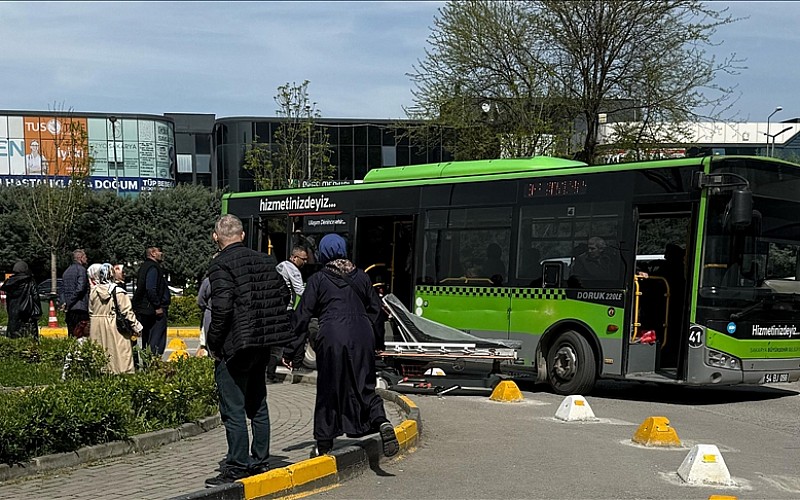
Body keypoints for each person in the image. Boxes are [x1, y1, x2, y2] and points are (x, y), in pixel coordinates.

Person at [282, 233, 400, 459]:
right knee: (364, 385)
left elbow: (303, 315)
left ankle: (324, 443)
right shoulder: (362, 277)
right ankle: (381, 421)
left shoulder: (318, 279)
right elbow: (376, 312)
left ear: (324, 253)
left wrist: (291, 350)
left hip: (332, 335)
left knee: (329, 389)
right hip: (362, 335)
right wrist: (376, 343)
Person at [204, 214, 293, 487]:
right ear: (242, 235)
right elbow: (284, 295)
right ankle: (261, 460)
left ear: (216, 237)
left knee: (234, 409)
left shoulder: (220, 265)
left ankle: (237, 466)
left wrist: (214, 344)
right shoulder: (267, 261)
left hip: (235, 346)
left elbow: (221, 308)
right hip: (262, 344)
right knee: (258, 405)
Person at [88, 263, 142, 374]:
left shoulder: (94, 291)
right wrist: (136, 326)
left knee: (101, 349)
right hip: (114, 324)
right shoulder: (118, 292)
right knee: (120, 352)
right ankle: (122, 374)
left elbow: (90, 310)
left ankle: (101, 372)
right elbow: (127, 312)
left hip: (96, 325)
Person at [270, 246, 309, 380]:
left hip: (275, 308)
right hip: (286, 308)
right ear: (294, 257)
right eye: (303, 259)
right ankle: (292, 363)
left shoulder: (281, 266)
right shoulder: (293, 270)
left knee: (276, 342)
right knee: (295, 335)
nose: (305, 262)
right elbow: (300, 291)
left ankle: (271, 372)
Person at [132, 246, 170, 356]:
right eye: (159, 251)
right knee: (156, 339)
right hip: (154, 311)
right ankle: (152, 363)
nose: (162, 254)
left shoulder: (145, 267)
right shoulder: (153, 268)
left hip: (145, 309)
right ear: (153, 253)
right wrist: (157, 306)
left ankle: (147, 362)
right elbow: (150, 288)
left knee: (147, 339)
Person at [1, 260, 41, 339]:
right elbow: (35, 297)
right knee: (29, 343)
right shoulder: (29, 281)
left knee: (14, 342)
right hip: (27, 316)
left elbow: (8, 302)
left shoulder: (10, 283)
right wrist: (37, 312)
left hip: (13, 317)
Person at [61, 249, 89, 338]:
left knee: (71, 333)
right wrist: (71, 301)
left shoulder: (66, 271)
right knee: (81, 334)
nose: (86, 259)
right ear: (80, 258)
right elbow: (80, 288)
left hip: (70, 309)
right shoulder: (81, 270)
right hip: (80, 307)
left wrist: (65, 302)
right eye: (85, 257)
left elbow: (62, 289)